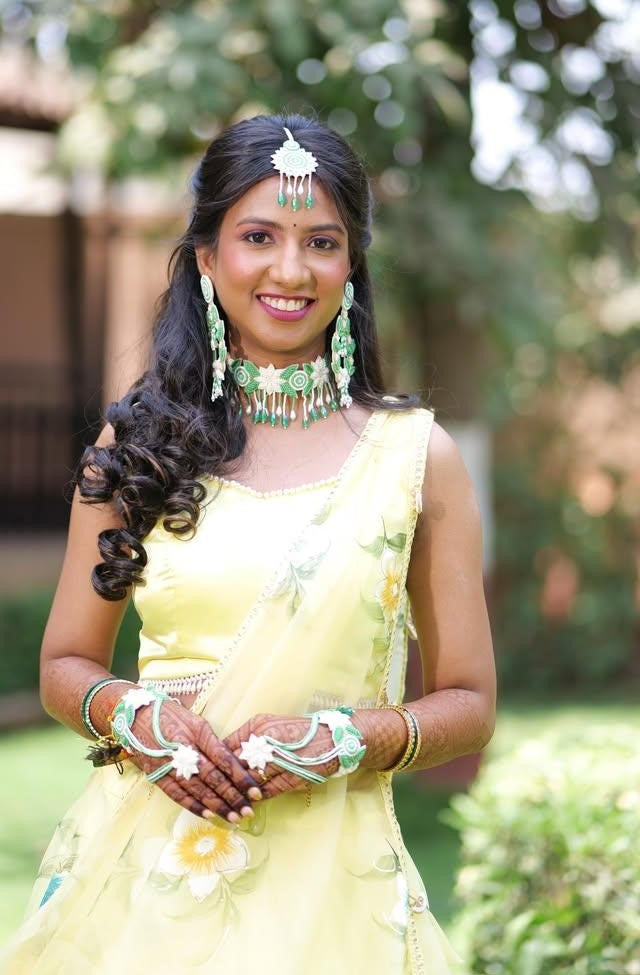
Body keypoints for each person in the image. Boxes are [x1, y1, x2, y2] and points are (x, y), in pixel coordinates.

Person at [1, 114, 495, 975]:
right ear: (205, 257)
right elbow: (63, 666)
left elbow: (468, 701)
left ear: (352, 266)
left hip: (338, 889)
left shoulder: (417, 459)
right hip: (145, 888)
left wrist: (345, 739)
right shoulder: (138, 449)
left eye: (323, 242)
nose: (291, 270)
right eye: (258, 236)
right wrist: (142, 719)